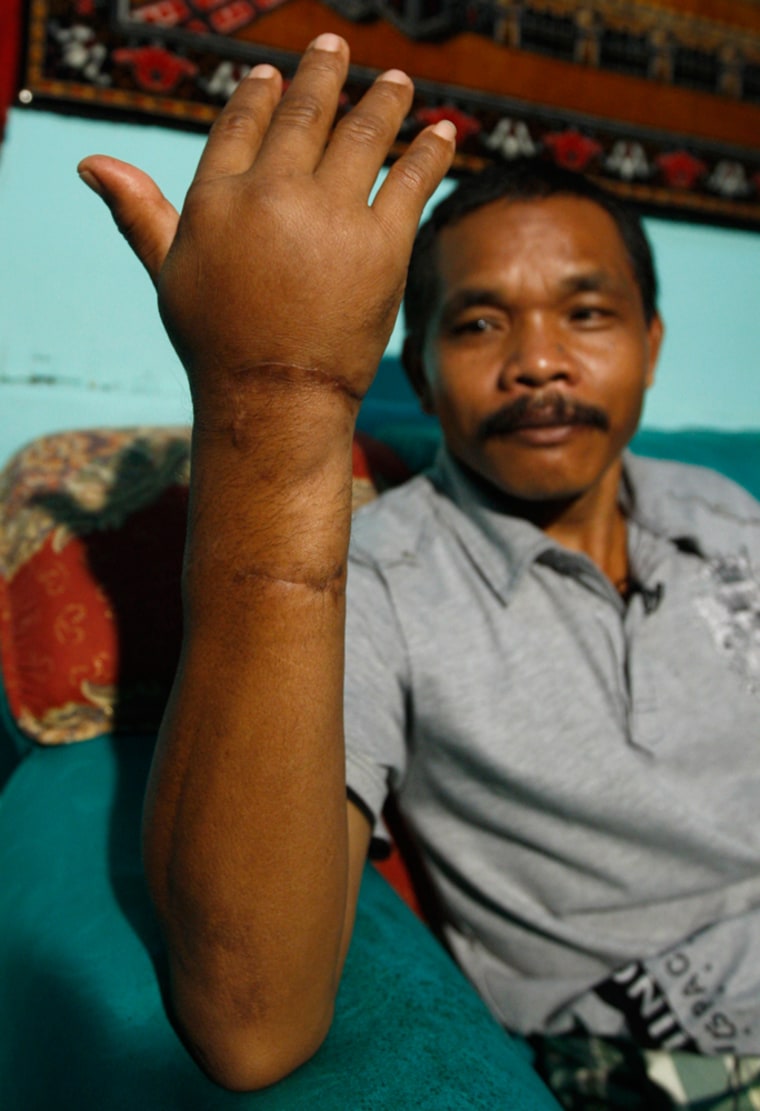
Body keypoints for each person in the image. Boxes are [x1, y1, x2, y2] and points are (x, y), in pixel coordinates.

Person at [77, 32, 760, 1108]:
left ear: (652, 344)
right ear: (422, 374)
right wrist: (279, 404)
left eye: (587, 313)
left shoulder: (722, 510)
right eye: (480, 322)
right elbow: (248, 1025)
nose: (538, 359)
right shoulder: (384, 582)